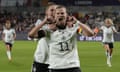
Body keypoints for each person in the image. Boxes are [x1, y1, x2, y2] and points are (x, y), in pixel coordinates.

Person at [29, 5, 94, 72]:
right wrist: (44, 22)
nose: (60, 15)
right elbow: (31, 35)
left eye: (62, 13)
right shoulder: (48, 31)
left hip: (73, 66)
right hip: (55, 67)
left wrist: (77, 22)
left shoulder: (73, 28)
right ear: (55, 16)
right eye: (58, 13)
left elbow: (90, 34)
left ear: (67, 15)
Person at [30, 4, 58, 72]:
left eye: (56, 10)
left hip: (55, 63)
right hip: (40, 61)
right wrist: (44, 22)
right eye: (51, 10)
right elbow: (31, 35)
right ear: (46, 12)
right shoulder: (42, 25)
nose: (54, 12)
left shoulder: (61, 26)